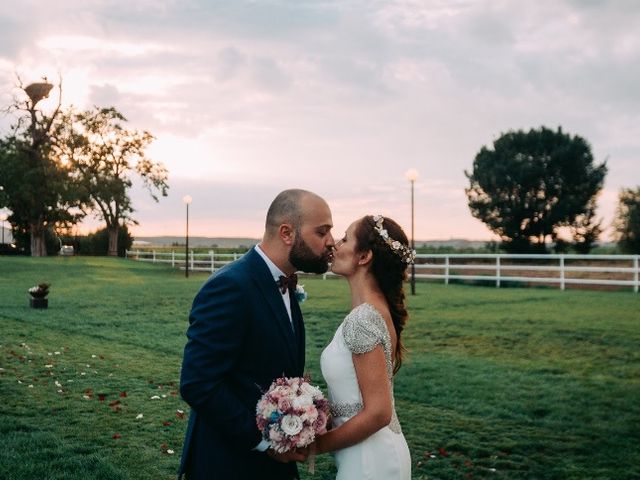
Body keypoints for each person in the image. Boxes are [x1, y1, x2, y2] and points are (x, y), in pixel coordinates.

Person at [178, 189, 334, 480]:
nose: (331, 242)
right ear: (287, 233)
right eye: (322, 231)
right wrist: (264, 442)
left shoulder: (284, 283)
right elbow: (198, 383)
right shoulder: (230, 287)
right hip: (229, 464)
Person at [316, 214, 414, 479]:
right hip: (368, 452)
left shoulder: (364, 318)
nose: (336, 244)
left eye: (346, 238)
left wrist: (316, 445)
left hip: (371, 459)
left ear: (364, 257)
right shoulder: (373, 312)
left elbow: (379, 412)